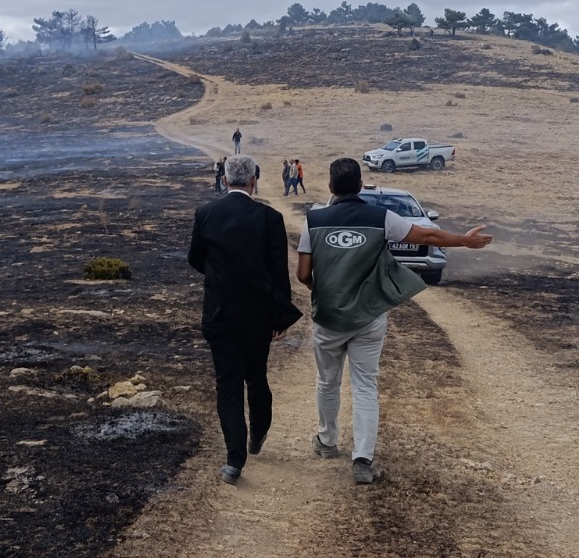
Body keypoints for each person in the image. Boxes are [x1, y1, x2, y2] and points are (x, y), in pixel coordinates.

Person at [296, 157, 492, 484]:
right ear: (360, 185)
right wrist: (466, 241)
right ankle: (362, 459)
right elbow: (427, 237)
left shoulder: (313, 221)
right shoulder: (381, 217)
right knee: (365, 386)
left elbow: (303, 274)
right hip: (369, 318)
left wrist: (324, 288)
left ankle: (327, 442)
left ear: (330, 187)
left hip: (328, 318)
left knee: (327, 381)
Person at [188, 155, 302, 484]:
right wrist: (280, 316)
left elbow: (195, 257)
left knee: (228, 385)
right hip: (258, 317)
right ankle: (258, 436)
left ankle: (234, 461)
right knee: (256, 377)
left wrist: (221, 275)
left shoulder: (206, 213)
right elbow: (279, 271)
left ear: (225, 180)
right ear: (254, 180)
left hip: (220, 313)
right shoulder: (270, 218)